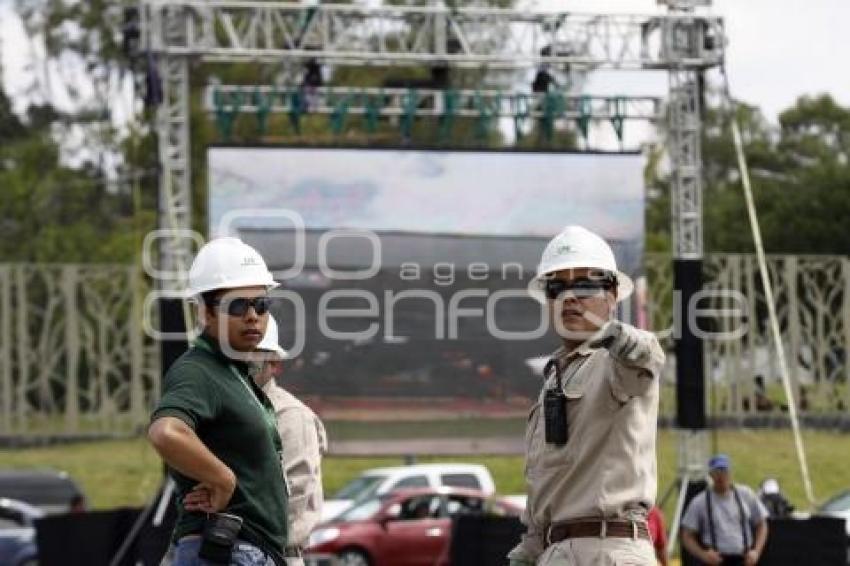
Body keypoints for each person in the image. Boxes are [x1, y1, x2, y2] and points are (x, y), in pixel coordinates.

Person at [507, 225, 665, 566]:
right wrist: (528, 551)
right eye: (557, 287)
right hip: (555, 552)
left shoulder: (614, 364)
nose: (570, 297)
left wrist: (611, 330)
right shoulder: (553, 379)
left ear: (611, 295)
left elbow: (645, 353)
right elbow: (548, 479)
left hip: (612, 548)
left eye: (584, 285)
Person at [148, 237, 289, 566]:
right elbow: (165, 432)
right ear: (206, 313)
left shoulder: (232, 372)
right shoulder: (198, 371)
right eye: (238, 306)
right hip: (229, 549)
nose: (253, 316)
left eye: (262, 305)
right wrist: (222, 479)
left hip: (247, 549)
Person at [253, 315, 328, 566]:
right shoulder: (225, 408)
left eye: (254, 355)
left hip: (274, 556)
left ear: (274, 364)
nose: (241, 363)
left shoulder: (291, 416)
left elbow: (290, 494)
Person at [680, 454, 769, 566]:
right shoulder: (700, 502)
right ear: (711, 475)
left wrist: (756, 551)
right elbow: (687, 535)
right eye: (717, 472)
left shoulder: (746, 494)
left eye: (724, 471)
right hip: (716, 560)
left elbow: (762, 524)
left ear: (730, 473)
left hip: (744, 559)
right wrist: (703, 555)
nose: (721, 476)